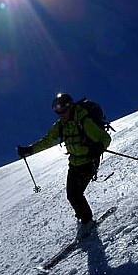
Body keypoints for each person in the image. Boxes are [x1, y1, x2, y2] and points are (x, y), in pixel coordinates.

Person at [17, 92, 111, 237]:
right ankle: (84, 219)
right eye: (58, 112)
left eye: (63, 111)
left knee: (75, 195)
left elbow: (105, 138)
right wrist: (30, 150)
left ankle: (87, 221)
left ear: (71, 107)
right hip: (74, 163)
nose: (61, 115)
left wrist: (98, 147)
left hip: (88, 162)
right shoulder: (60, 125)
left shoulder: (83, 121)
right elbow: (47, 140)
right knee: (71, 195)